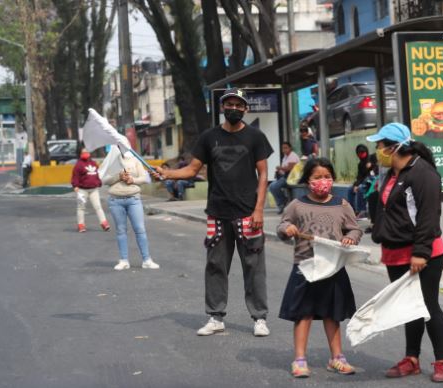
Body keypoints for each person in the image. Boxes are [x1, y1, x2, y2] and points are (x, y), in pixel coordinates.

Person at [154, 87, 273, 337]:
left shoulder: (255, 137)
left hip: (248, 214)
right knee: (216, 266)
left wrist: (259, 209)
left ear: (245, 109)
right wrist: (167, 173)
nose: (234, 109)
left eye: (239, 105)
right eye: (229, 104)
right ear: (222, 107)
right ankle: (215, 316)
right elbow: (191, 169)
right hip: (217, 213)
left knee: (254, 267)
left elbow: (263, 174)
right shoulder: (209, 137)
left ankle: (259, 318)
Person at [366, 122, 443, 383]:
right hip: (395, 253)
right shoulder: (390, 173)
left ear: (395, 147)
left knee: (428, 306)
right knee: (408, 308)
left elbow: (428, 217)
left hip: (422, 253)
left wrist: (421, 253)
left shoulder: (422, 173)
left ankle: (442, 362)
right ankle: (411, 359)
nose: (377, 150)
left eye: (380, 145)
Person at [277, 157, 362, 378]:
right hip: (305, 267)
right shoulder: (297, 205)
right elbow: (282, 225)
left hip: (333, 267)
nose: (322, 181)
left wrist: (351, 238)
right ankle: (299, 360)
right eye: (317, 177)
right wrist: (287, 228)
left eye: (326, 177)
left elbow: (354, 229)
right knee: (303, 314)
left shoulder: (342, 204)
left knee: (332, 315)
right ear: (308, 180)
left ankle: (337, 358)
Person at [103, 152, 159, 271]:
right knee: (121, 230)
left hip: (133, 199)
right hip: (115, 200)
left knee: (140, 229)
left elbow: (145, 178)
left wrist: (132, 179)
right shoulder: (110, 161)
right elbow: (104, 180)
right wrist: (119, 176)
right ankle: (124, 260)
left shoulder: (135, 159)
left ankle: (147, 260)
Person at [71, 149, 110, 233]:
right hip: (82, 190)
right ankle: (81, 225)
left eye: (87, 152)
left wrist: (98, 182)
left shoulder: (93, 163)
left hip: (94, 189)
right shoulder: (78, 165)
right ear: (81, 154)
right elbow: (75, 176)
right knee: (81, 207)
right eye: (83, 152)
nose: (85, 153)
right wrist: (75, 186)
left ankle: (104, 223)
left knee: (98, 206)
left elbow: (97, 174)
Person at [269, 141, 300, 214]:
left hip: (291, 178)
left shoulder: (293, 156)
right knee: (271, 186)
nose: (284, 150)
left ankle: (282, 202)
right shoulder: (285, 157)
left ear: (290, 148)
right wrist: (278, 171)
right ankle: (282, 202)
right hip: (285, 177)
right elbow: (284, 168)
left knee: (274, 186)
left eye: (286, 148)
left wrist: (280, 168)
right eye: (283, 148)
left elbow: (289, 168)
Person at [347, 144, 377, 218]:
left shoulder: (373, 157)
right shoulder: (360, 164)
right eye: (359, 153)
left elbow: (378, 167)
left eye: (363, 152)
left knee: (361, 188)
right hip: (364, 181)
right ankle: (352, 210)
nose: (362, 154)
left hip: (373, 181)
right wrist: (355, 185)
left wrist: (372, 165)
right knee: (350, 189)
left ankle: (362, 211)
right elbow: (360, 177)